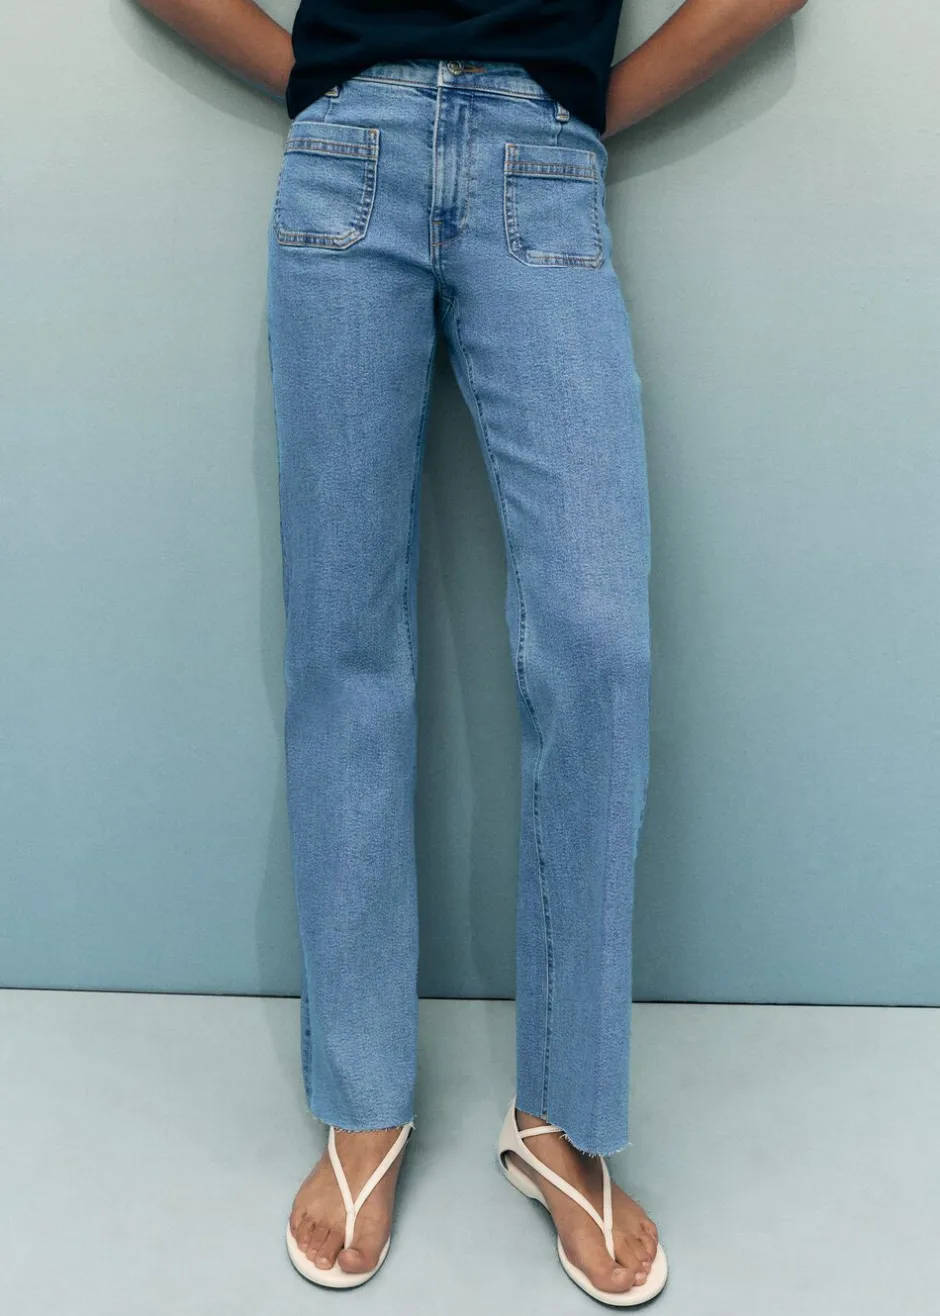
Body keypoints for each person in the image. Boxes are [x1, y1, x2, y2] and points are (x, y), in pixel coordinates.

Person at [137, 0, 807, 1303]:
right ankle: (364, 1098)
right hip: (348, 159)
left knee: (596, 644)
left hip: (541, 166)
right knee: (345, 648)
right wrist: (319, 79)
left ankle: (562, 1112)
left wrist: (581, 106)